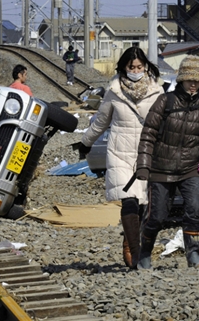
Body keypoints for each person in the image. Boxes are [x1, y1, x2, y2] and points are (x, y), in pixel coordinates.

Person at [76, 46, 163, 270]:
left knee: (145, 204)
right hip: (120, 153)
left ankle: (130, 239)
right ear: (124, 67)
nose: (135, 70)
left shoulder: (157, 91)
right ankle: (136, 254)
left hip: (146, 153)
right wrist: (86, 142)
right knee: (130, 200)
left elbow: (165, 122)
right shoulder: (114, 90)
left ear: (145, 67)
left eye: (139, 67)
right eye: (131, 67)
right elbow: (101, 121)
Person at [135, 55, 199, 269]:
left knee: (195, 210)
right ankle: (144, 253)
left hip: (190, 170)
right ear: (181, 80)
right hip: (161, 169)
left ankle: (193, 254)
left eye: (197, 80)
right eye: (189, 79)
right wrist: (143, 165)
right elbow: (148, 135)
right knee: (158, 216)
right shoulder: (165, 101)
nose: (193, 84)